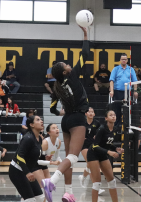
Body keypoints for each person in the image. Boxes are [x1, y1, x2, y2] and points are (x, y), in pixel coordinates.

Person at [43, 26, 90, 202]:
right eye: (66, 65)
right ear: (65, 72)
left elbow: (52, 109)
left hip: (66, 120)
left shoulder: (57, 88)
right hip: (77, 118)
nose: (69, 65)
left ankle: (68, 192)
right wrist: (85, 34)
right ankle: (51, 181)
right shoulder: (73, 75)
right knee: (72, 157)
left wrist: (61, 111)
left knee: (69, 158)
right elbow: (84, 54)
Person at [87, 110, 124, 202]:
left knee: (112, 181)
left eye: (114, 114)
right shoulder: (102, 128)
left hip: (103, 154)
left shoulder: (115, 129)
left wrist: (115, 148)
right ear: (106, 118)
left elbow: (107, 143)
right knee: (97, 182)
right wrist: (109, 152)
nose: (113, 116)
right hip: (93, 154)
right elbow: (95, 145)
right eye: (110, 115)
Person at [8, 115, 45, 202]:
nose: (41, 121)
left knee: (40, 198)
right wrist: (27, 172)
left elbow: (33, 155)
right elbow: (19, 156)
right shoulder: (28, 138)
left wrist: (45, 158)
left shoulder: (39, 138)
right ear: (32, 125)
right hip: (17, 171)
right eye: (38, 120)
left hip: (27, 171)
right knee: (30, 200)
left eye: (41, 119)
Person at [78, 107, 103, 193]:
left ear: (94, 114)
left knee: (91, 164)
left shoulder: (97, 123)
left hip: (93, 146)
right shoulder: (82, 123)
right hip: (84, 145)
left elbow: (101, 133)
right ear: (86, 114)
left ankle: (83, 177)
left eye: (92, 112)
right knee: (91, 163)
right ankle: (96, 187)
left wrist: (98, 136)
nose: (91, 113)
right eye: (89, 112)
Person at [109, 53, 138, 126]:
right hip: (118, 91)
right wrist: (112, 91)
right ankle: (116, 127)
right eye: (122, 59)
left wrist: (135, 91)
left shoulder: (131, 69)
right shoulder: (116, 69)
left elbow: (135, 81)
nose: (124, 61)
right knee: (117, 110)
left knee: (127, 109)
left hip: (128, 92)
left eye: (125, 59)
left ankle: (127, 126)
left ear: (127, 60)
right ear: (120, 60)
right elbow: (111, 80)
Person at [32, 124, 62, 195]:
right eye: (54, 128)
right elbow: (37, 161)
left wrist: (62, 163)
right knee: (42, 187)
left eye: (57, 128)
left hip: (43, 164)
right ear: (49, 132)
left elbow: (57, 157)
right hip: (34, 164)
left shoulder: (58, 142)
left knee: (49, 187)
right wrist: (51, 162)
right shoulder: (45, 142)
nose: (57, 129)